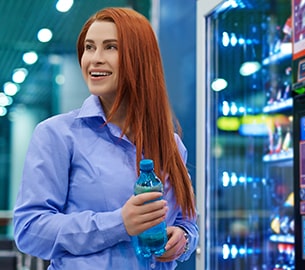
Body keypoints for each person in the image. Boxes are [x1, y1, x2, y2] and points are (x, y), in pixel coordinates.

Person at [13, 7, 198, 270]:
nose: (94, 59)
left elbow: (187, 221)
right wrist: (120, 223)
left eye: (110, 47)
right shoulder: (57, 135)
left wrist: (184, 240)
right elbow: (29, 230)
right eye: (89, 47)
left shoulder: (171, 146)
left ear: (140, 58)